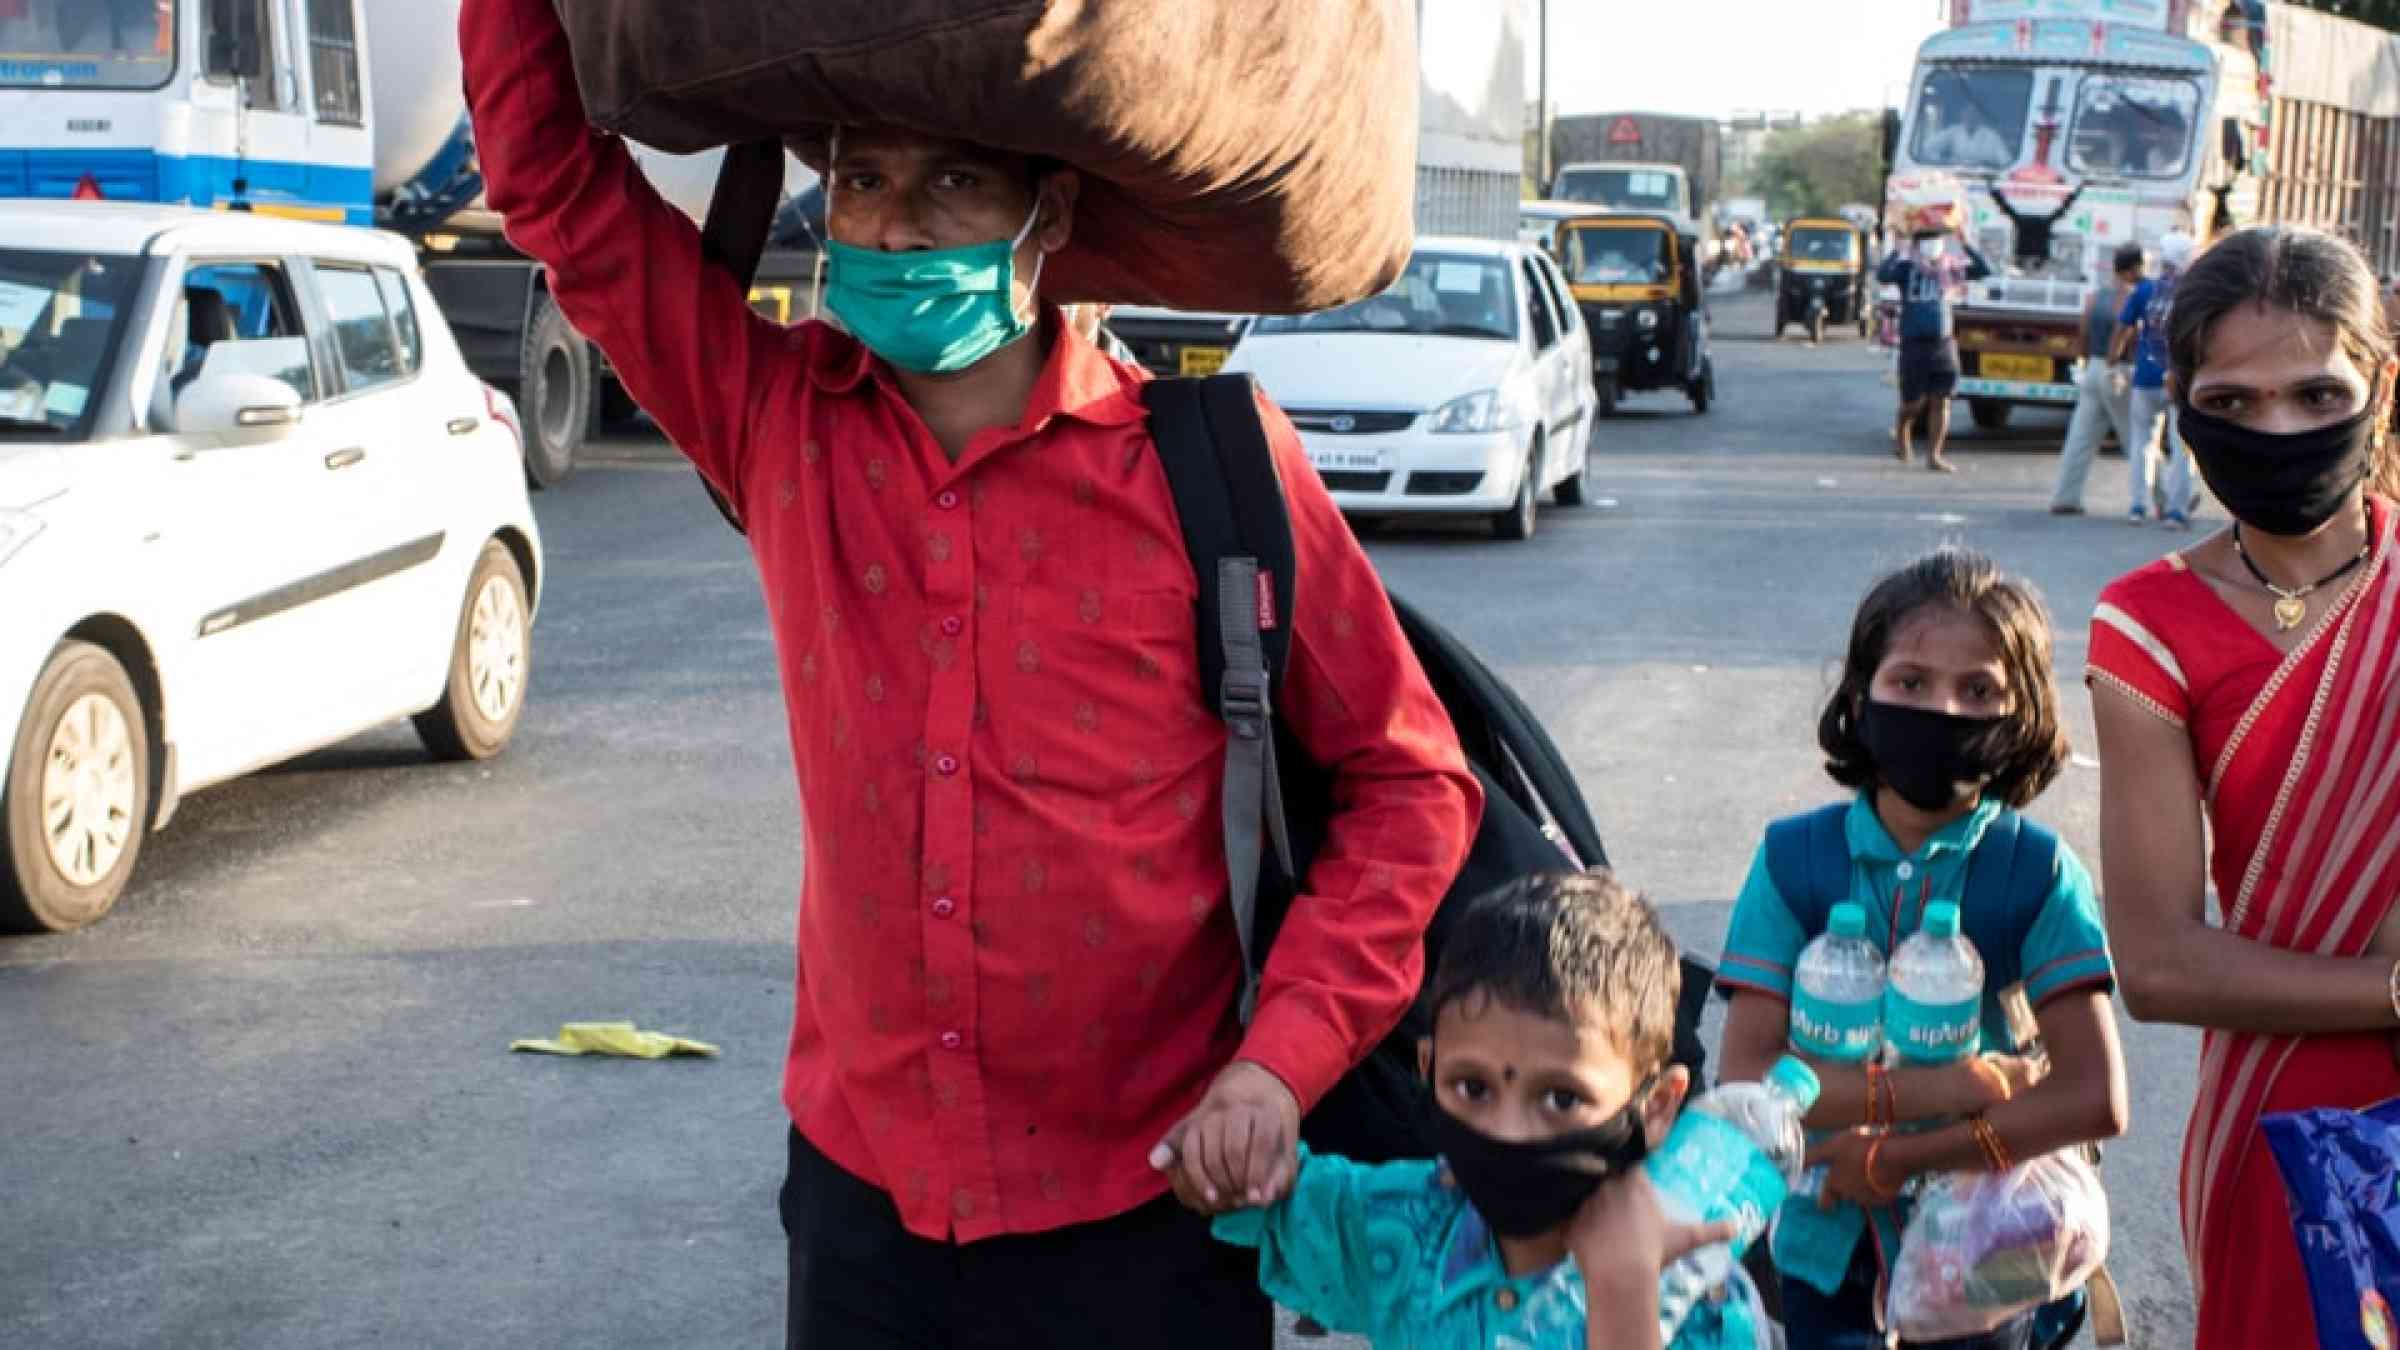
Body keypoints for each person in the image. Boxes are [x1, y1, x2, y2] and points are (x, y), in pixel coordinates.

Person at [458, 2, 1485, 1346]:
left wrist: (1276, 1067)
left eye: (952, 182)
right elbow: (552, 183)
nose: (891, 227)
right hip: (865, 1212)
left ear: (1049, 215)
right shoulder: (776, 424)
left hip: (1153, 1214)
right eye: (866, 183)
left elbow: (1412, 786)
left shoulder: (1217, 465)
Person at [2088, 224, 2400, 1350]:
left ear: (2383, 383)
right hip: (2288, 1120)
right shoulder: (2148, 624)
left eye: (2319, 394)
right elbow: (2162, 964)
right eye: (2233, 403)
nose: (2279, 429)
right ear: (2183, 403)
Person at [1716, 547, 2128, 1350]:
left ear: (2021, 719)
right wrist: (1942, 1091)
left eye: (1977, 691)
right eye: (1910, 682)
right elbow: (1748, 1080)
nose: (1940, 709)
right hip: (1822, 1236)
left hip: (1997, 1247)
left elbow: (2094, 1096)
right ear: (1861, 695)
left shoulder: (2036, 871)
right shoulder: (1794, 859)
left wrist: (1904, 1158)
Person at [1215, 871, 1754, 1350]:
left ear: (1656, 1105)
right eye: (1472, 1087)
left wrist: (1624, 1297)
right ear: (1429, 1068)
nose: (1508, 1131)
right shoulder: (1407, 1219)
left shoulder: (1696, 1298)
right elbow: (1254, 1191)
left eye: (1562, 1098)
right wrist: (1227, 1149)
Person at [1879, 230, 1993, 473]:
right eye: (1927, 241)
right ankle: (1902, 431)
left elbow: (1984, 270)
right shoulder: (1906, 269)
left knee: (1942, 400)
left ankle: (1934, 455)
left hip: (1942, 343)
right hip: (1914, 343)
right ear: (1918, 245)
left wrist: (1966, 244)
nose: (1933, 245)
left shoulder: (1950, 269)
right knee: (1914, 403)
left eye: (1936, 240)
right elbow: (1882, 275)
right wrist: (1898, 250)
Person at [2109, 230, 2198, 527]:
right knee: (2181, 446)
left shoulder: (2145, 290)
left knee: (2142, 443)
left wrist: (2112, 363)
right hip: (2180, 378)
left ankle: (2138, 505)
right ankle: (2176, 510)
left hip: (2145, 376)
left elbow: (2122, 328)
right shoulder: (2194, 292)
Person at [2050, 244, 2147, 515]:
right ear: (2133, 268)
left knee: (2080, 436)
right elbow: (2129, 334)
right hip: (2118, 369)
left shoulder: (2095, 297)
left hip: (2092, 367)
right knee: (2139, 438)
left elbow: (2082, 334)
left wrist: (2084, 362)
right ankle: (2163, 498)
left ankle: (2065, 497)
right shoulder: (2132, 298)